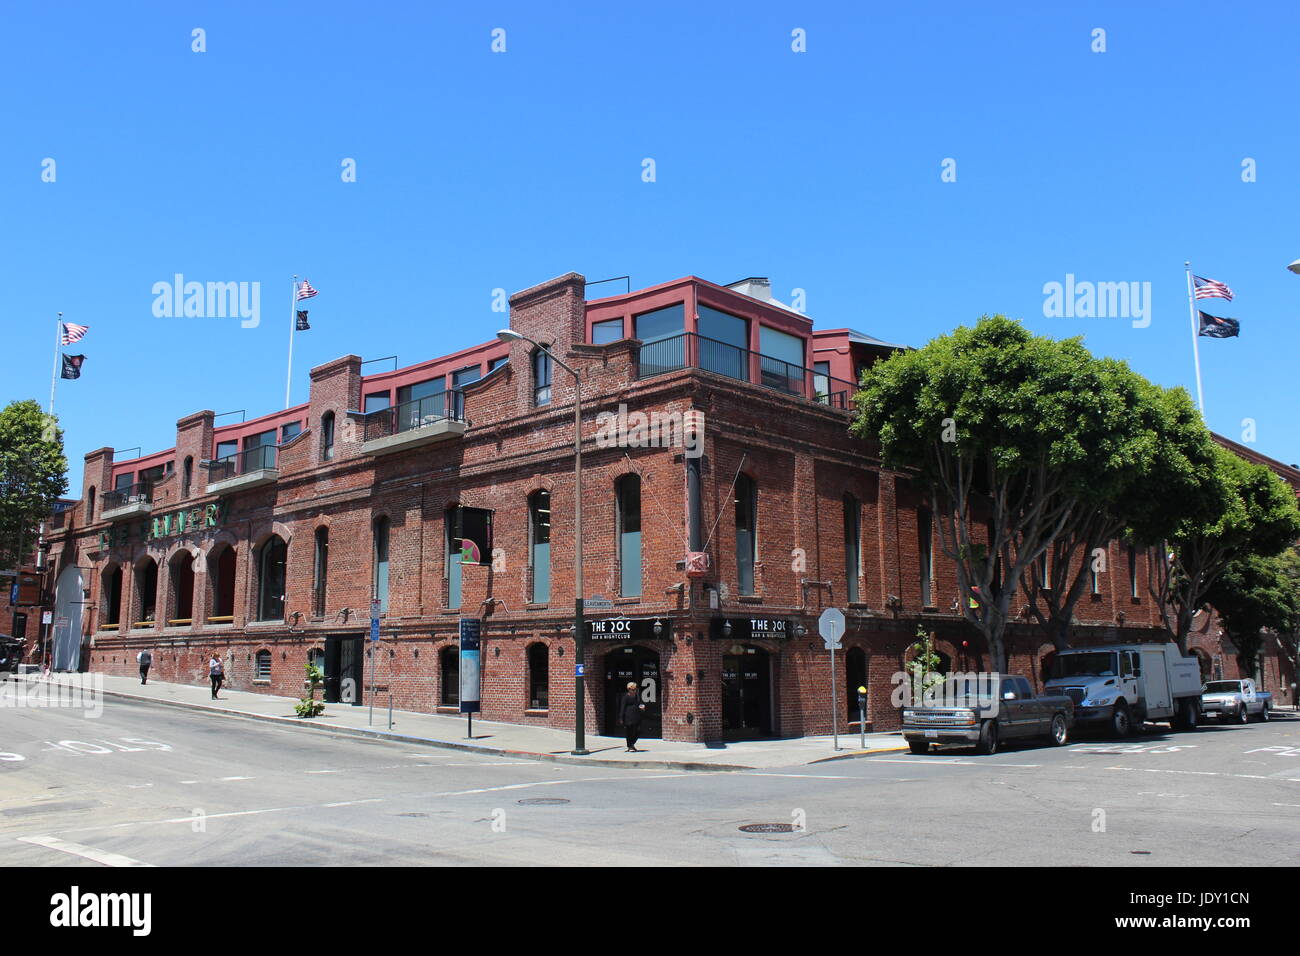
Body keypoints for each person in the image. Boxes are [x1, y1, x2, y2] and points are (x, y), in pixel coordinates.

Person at [620, 681, 645, 752]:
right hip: (628, 717)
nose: (634, 691)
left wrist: (642, 707)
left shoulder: (637, 696)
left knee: (639, 730)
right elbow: (622, 707)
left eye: (635, 689)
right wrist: (621, 717)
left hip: (637, 716)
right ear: (629, 689)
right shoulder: (625, 697)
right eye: (633, 690)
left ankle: (631, 744)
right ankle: (630, 746)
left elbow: (640, 703)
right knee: (629, 731)